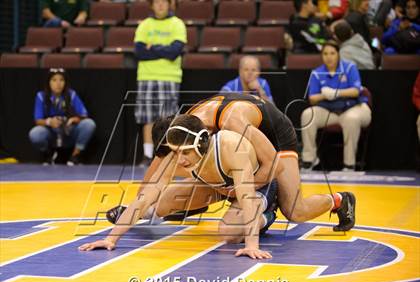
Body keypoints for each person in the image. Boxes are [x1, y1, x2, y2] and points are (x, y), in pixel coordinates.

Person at [108, 93, 356, 233]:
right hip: (233, 148)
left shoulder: (231, 122)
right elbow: (154, 178)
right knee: (167, 197)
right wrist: (135, 209)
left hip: (274, 136)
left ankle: (338, 200)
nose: (176, 159)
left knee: (295, 210)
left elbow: (273, 165)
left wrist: (237, 189)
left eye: (177, 153)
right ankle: (196, 204)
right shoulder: (183, 130)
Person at [80, 114, 280, 259]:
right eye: (176, 152)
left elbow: (245, 196)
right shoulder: (177, 155)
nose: (180, 159)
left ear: (200, 143)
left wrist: (252, 244)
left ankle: (267, 215)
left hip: (256, 186)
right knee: (163, 200)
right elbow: (145, 198)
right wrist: (111, 239)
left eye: (185, 152)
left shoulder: (230, 147)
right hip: (220, 186)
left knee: (229, 233)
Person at [300, 41, 371, 171]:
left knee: (351, 119)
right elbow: (312, 98)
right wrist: (324, 95)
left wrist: (336, 93)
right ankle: (309, 159)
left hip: (354, 108)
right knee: (307, 114)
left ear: (338, 54)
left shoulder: (350, 68)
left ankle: (349, 164)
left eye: (332, 53)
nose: (329, 57)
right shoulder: (317, 73)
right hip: (330, 111)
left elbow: (356, 91)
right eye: (325, 53)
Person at [134, 0, 186, 165]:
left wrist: (152, 47)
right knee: (148, 118)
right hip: (146, 77)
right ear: (151, 5)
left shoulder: (178, 24)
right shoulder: (144, 25)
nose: (161, 5)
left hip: (169, 77)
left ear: (170, 4)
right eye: (157, 2)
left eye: (164, 1)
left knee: (169, 118)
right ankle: (148, 155)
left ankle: (169, 154)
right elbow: (140, 52)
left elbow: (174, 52)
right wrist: (163, 49)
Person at [28, 68, 96, 165]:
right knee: (35, 133)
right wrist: (49, 122)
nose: (58, 83)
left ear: (65, 82)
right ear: (49, 82)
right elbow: (38, 120)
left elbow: (84, 115)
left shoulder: (71, 94)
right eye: (54, 80)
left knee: (89, 124)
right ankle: (49, 155)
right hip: (52, 133)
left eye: (61, 80)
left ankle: (75, 156)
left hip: (69, 132)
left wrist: (74, 119)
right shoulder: (41, 96)